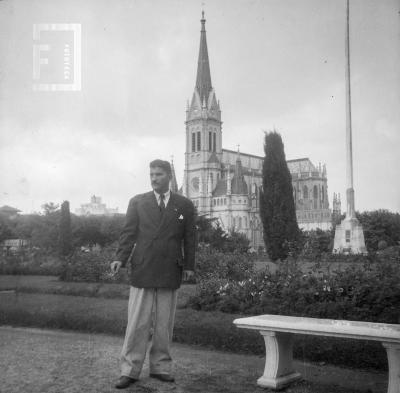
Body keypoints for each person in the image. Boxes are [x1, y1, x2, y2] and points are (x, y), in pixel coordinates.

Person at [110, 159, 196, 389]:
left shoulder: (185, 205)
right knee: (137, 322)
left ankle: (161, 367)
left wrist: (189, 266)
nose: (154, 178)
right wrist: (120, 257)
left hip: (170, 268)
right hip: (143, 267)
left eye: (159, 174)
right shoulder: (137, 202)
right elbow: (128, 233)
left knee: (163, 324)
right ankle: (130, 370)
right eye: (151, 174)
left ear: (169, 176)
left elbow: (190, 238)